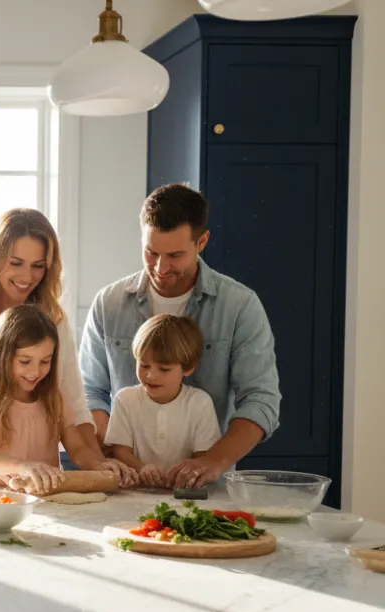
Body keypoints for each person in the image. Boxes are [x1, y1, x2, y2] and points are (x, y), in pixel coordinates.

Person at [79, 184, 281, 489]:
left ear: (202, 242)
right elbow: (90, 392)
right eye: (151, 252)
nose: (161, 268)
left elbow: (260, 400)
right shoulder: (108, 303)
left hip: (206, 490)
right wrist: (115, 453)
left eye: (175, 255)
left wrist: (212, 461)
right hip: (126, 484)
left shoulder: (239, 305)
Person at [0, 208, 129, 485]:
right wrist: (2, 463)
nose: (28, 276)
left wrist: (99, 464)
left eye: (38, 265)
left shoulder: (54, 322)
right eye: (16, 263)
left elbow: (74, 405)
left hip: (36, 484)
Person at [0, 305, 124, 494]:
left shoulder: (54, 398)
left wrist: (100, 464)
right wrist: (23, 466)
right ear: (1, 355)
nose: (35, 371)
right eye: (25, 361)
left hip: (41, 500)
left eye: (45, 361)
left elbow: (77, 449)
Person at [105, 314, 222, 488]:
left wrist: (184, 477)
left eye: (164, 369)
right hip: (135, 493)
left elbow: (202, 458)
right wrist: (142, 468)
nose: (151, 375)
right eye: (144, 365)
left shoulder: (200, 403)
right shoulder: (125, 399)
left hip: (184, 495)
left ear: (188, 368)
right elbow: (120, 451)